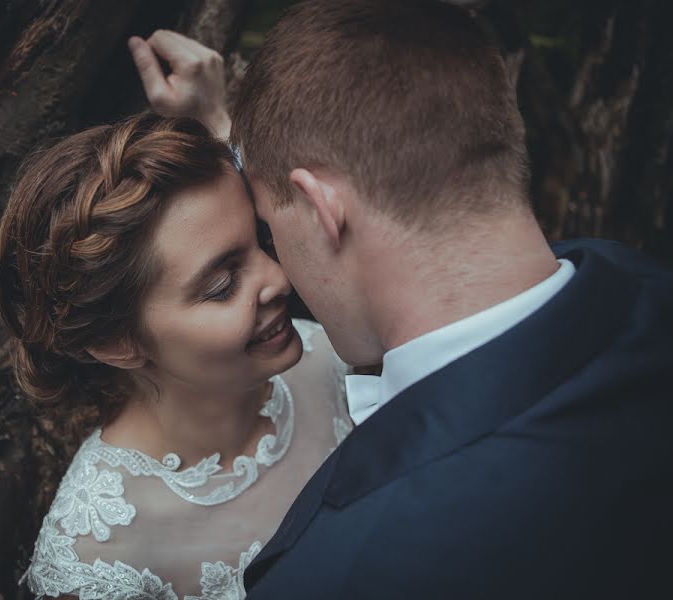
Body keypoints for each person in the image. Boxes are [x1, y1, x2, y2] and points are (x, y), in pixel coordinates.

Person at [131, 1, 673, 598]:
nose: (280, 276)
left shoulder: (349, 569)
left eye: (269, 226)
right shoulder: (639, 283)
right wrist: (227, 130)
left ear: (319, 208)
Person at [0, 113, 354, 599]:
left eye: (263, 241)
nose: (279, 280)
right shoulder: (96, 557)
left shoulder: (331, 359)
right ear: (117, 342)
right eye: (223, 286)